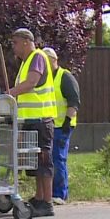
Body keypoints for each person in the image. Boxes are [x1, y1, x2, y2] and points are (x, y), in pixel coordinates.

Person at [8, 28, 57, 217]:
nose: (14, 47)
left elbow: (30, 83)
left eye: (16, 43)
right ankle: (39, 198)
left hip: (41, 120)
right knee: (35, 161)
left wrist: (9, 93)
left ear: (26, 42)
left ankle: (47, 202)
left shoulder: (37, 57)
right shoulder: (26, 62)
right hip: (31, 119)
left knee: (43, 161)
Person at [41, 47, 80, 205]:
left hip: (62, 126)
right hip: (50, 126)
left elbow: (74, 101)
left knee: (58, 159)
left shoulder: (65, 77)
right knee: (50, 160)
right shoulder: (47, 78)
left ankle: (60, 194)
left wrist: (66, 121)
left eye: (44, 61)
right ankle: (51, 193)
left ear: (52, 60)